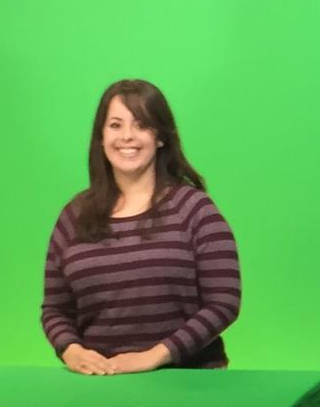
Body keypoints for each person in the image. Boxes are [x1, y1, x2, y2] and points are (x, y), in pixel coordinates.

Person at [40, 79, 240, 374]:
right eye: (115, 125)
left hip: (189, 384)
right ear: (101, 136)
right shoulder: (74, 215)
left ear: (160, 137)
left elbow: (224, 302)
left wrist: (154, 356)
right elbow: (55, 310)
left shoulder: (196, 209)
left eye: (141, 125)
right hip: (100, 386)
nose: (127, 137)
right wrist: (72, 351)